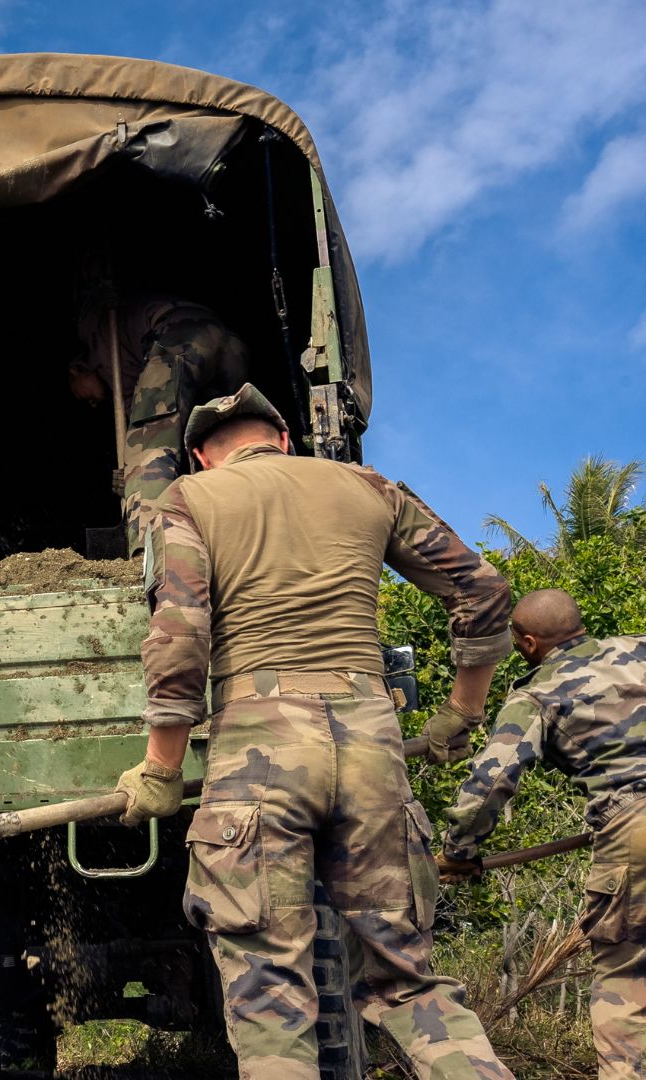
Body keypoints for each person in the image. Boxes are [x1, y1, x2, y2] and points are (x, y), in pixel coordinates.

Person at [114, 384, 513, 1077]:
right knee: (409, 987)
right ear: (283, 440)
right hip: (371, 754)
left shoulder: (188, 501)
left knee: (272, 1007)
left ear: (204, 457)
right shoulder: (368, 488)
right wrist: (462, 712)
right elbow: (482, 591)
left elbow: (179, 637)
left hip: (257, 761)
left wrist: (160, 770)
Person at [436, 589, 646, 1079]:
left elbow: (491, 780)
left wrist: (458, 852)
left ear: (527, 642)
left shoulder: (538, 691)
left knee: (627, 981)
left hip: (634, 824)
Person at [69, 290, 251, 554]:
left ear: (76, 370)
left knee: (148, 442)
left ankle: (146, 551)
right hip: (230, 346)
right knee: (219, 443)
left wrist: (134, 477)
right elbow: (167, 418)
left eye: (84, 397)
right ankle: (234, 536)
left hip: (180, 338)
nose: (93, 404)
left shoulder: (97, 340)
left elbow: (147, 427)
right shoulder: (128, 354)